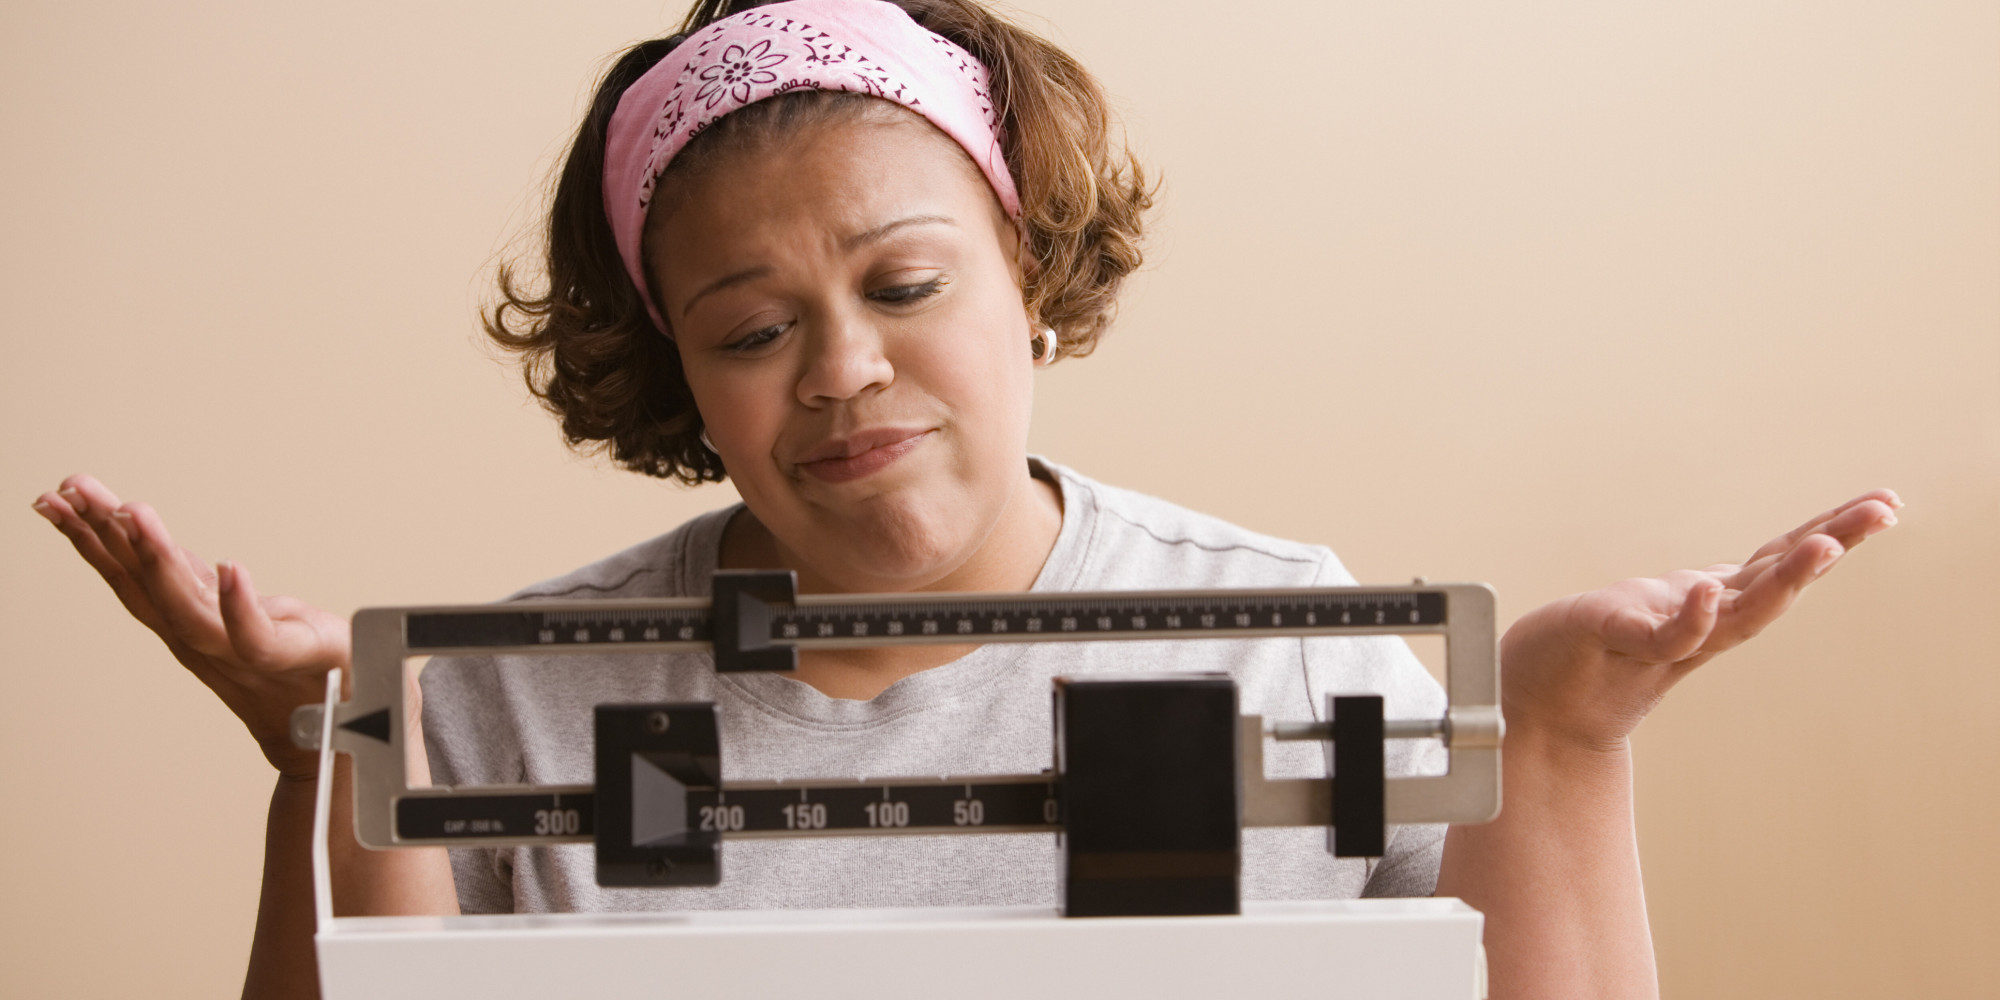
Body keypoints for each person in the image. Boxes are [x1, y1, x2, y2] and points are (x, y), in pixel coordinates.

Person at [29, 0, 1900, 997]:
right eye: (753, 326)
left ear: (1033, 280)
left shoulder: (1299, 651)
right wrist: (332, 757)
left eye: (905, 290)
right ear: (676, 370)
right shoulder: (510, 703)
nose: (841, 370)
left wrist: (1561, 739)